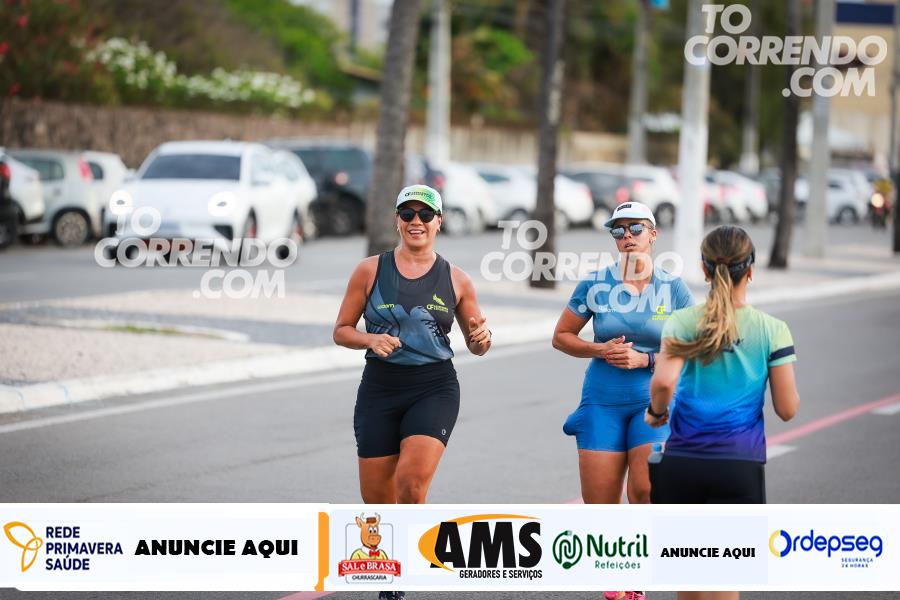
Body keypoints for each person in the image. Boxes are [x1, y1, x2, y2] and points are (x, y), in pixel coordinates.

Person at [645, 225, 801, 600]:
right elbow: (787, 409)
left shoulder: (682, 322)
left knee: (689, 578)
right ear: (750, 270)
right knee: (723, 580)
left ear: (703, 269)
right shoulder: (773, 330)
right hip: (738, 466)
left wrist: (655, 413)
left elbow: (663, 383)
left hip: (683, 462)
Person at [333, 184, 491, 505]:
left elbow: (477, 345)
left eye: (425, 215)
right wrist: (370, 339)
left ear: (439, 221)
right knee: (377, 501)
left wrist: (482, 340)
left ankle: (417, 538)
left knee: (411, 486)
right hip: (379, 388)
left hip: (433, 388)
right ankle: (398, 540)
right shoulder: (369, 271)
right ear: (397, 220)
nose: (416, 221)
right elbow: (341, 331)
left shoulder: (457, 279)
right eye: (407, 214)